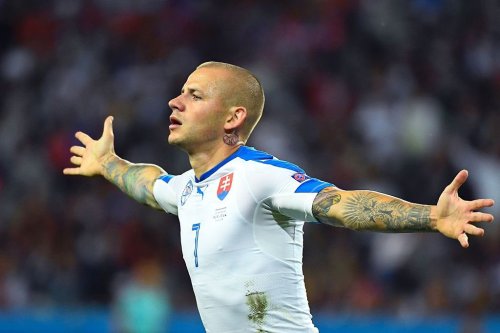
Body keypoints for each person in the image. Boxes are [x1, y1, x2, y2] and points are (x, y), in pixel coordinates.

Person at [63, 61, 495, 333]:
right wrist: (109, 164)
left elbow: (339, 205)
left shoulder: (258, 175)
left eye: (194, 95)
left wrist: (430, 217)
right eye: (181, 92)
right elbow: (149, 183)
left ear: (234, 117)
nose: (175, 102)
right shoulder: (188, 189)